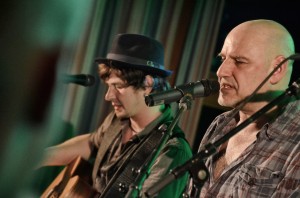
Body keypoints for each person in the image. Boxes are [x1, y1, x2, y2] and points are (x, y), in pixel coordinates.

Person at [39, 33, 192, 197]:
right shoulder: (118, 119)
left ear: (147, 84)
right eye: (108, 86)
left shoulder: (172, 151)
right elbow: (92, 143)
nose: (108, 96)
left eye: (118, 86)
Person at [190, 19, 300, 197]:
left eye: (240, 61)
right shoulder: (221, 123)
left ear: (278, 69)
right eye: (223, 58)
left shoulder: (296, 140)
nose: (221, 71)